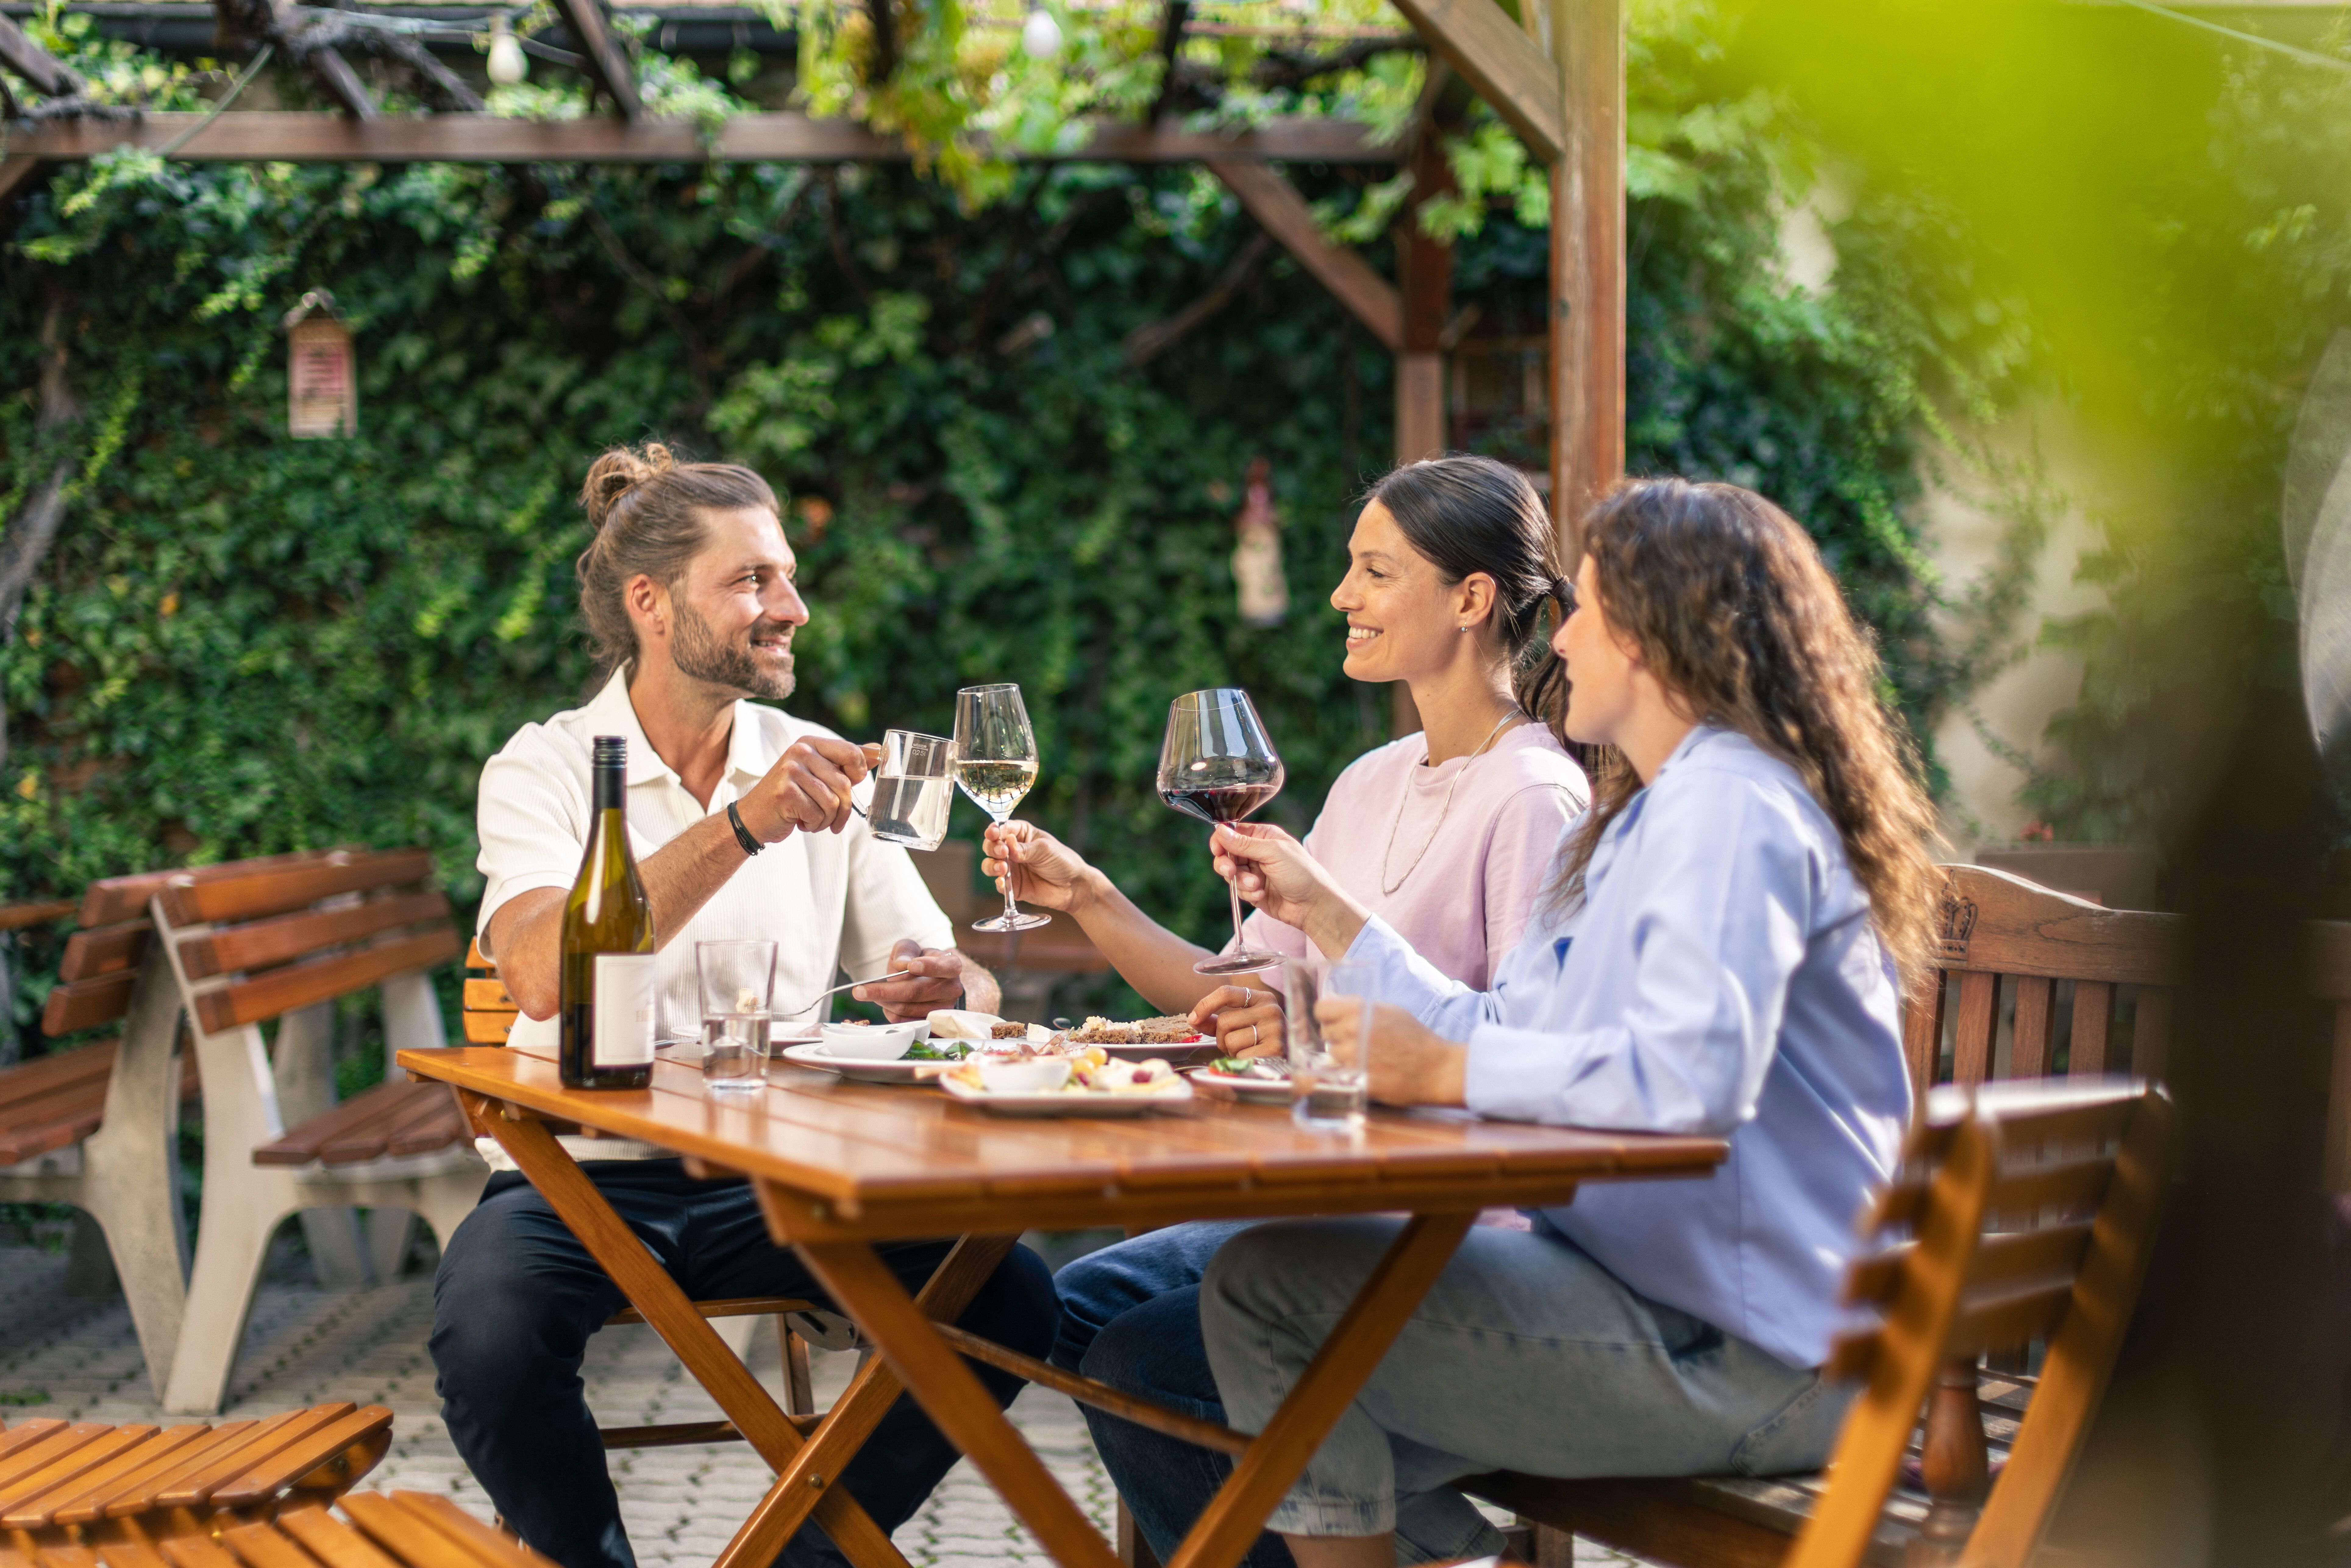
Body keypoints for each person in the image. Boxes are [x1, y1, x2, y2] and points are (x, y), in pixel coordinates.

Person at [1111, 477, 1941, 1566]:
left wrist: (1448, 1069)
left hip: (1753, 1352)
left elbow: (1691, 1080)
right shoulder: (1663, 811)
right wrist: (1412, 1021)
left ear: (1657, 634)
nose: (1568, 638)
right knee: (1226, 1351)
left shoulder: (1728, 808)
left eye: (1590, 610)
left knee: (1264, 1302)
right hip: (1704, 1312)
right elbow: (1520, 1028)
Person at [430, 444, 1058, 1568]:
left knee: (1010, 1297)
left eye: (789, 578)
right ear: (651, 604)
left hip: (783, 1184)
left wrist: (951, 985)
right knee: (488, 1333)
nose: (793, 610)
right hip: (582, 1173)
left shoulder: (816, 767)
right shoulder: (548, 768)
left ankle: (799, 1557)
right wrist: (742, 827)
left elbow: (962, 985)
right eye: (755, 581)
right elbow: (536, 974)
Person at [985, 456, 1589, 1566]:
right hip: (1336, 1203)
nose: (1339, 597)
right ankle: (1393, 1535)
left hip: (1454, 1225)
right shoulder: (1369, 779)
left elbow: (1531, 1049)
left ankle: (1386, 1531)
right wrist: (1088, 895)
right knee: (1075, 1306)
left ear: (1471, 599)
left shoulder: (1537, 795)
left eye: (1373, 570)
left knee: (1147, 1354)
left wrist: (1327, 972)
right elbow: (1230, 1002)